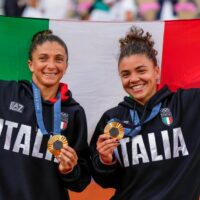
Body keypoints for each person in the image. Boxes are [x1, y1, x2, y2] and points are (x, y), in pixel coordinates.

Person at [90, 26, 200, 199]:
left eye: (141, 70)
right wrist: (105, 160)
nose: (134, 79)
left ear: (156, 71)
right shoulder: (112, 119)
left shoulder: (188, 105)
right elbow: (106, 181)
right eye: (126, 74)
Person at [0, 30, 91, 200]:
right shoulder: (6, 93)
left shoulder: (74, 112)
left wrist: (69, 170)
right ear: (30, 64)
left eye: (58, 59)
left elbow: (81, 182)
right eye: (43, 58)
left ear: (66, 66)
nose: (51, 65)